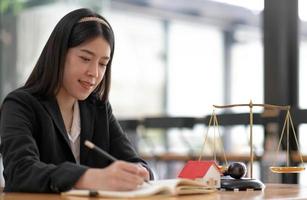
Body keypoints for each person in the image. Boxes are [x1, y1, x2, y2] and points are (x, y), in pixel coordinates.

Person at [0, 8, 153, 193]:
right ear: (59, 54)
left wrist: (140, 171)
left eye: (103, 64)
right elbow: (19, 171)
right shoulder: (20, 105)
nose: (95, 73)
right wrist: (87, 177)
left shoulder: (98, 107)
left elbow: (132, 160)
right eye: (85, 58)